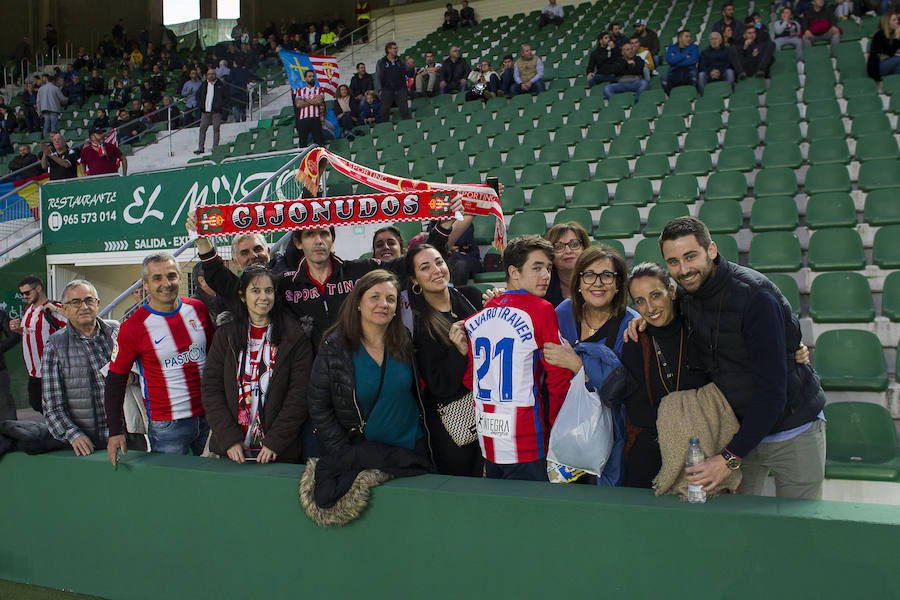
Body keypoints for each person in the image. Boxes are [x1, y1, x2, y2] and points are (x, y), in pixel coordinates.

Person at [657, 217, 826, 499]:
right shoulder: (686, 296)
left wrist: (728, 458)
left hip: (792, 429)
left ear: (711, 250)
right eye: (673, 261)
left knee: (801, 530)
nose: (684, 270)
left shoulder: (755, 297)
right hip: (738, 430)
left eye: (690, 256)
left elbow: (772, 394)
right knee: (741, 530)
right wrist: (640, 323)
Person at [620, 262, 816, 488]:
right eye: (640, 301)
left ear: (672, 292)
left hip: (714, 447)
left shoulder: (699, 326)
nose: (650, 307)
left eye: (656, 295)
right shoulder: (635, 341)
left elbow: (747, 352)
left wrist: (790, 350)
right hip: (654, 453)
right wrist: (686, 417)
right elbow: (637, 409)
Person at [461, 235, 572, 481]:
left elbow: (471, 380)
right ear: (514, 271)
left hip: (488, 441)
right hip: (527, 442)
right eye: (537, 267)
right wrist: (559, 431)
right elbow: (559, 379)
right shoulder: (541, 309)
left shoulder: (483, 312)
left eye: (548, 268)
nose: (546, 275)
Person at [308, 270, 430, 460]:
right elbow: (319, 406)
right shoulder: (334, 347)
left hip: (412, 451)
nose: (383, 304)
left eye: (391, 299)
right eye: (375, 297)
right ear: (358, 302)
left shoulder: (404, 338)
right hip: (364, 457)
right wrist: (344, 451)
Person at [105, 253, 215, 462]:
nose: (166, 283)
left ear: (181, 279)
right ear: (145, 284)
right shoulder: (132, 327)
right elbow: (115, 380)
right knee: (172, 488)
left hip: (210, 417)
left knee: (216, 482)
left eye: (172, 276)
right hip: (168, 426)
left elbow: (215, 359)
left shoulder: (198, 309)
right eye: (157, 278)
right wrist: (115, 430)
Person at [545, 245, 637, 486]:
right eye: (589, 275)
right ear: (578, 282)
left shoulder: (631, 324)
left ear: (618, 284)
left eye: (607, 275)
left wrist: (578, 366)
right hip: (564, 426)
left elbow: (623, 389)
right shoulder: (564, 312)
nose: (598, 283)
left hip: (609, 432)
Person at [202, 268, 312, 464]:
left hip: (277, 451)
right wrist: (229, 439)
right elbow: (211, 389)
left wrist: (275, 442)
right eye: (255, 291)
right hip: (233, 450)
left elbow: (299, 396)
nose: (263, 297)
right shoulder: (225, 335)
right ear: (242, 296)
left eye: (269, 291)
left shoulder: (294, 337)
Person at [405, 245, 482, 476]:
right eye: (425, 267)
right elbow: (439, 385)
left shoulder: (469, 297)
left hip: (487, 414)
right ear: (414, 279)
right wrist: (457, 352)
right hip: (453, 426)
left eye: (439, 262)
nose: (436, 270)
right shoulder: (418, 324)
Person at [41, 280, 119, 456]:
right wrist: (73, 434)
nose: (84, 307)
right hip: (89, 445)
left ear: (97, 304)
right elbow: (52, 405)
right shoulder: (55, 346)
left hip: (127, 438)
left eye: (89, 300)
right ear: (64, 308)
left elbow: (141, 374)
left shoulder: (116, 332)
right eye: (76, 302)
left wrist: (134, 378)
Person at [8, 275, 66, 413]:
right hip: (34, 371)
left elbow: (74, 325)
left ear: (38, 288)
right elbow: (31, 333)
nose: (25, 296)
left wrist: (57, 310)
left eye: (27, 293)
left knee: (54, 407)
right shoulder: (28, 310)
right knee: (37, 404)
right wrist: (17, 330)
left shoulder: (52, 308)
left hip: (50, 370)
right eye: (22, 294)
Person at [543, 222, 590, 308]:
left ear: (585, 249)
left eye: (574, 244)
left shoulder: (596, 281)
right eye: (559, 247)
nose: (568, 251)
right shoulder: (542, 284)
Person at [375, 41, 411, 122]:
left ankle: (408, 126)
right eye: (394, 48)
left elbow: (409, 74)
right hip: (387, 89)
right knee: (384, 111)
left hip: (400, 89)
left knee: (405, 110)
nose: (396, 50)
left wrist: (410, 67)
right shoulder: (381, 62)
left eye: (396, 48)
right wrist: (379, 89)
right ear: (388, 50)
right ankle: (385, 130)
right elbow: (378, 76)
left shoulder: (400, 61)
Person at [194, 68, 227, 154]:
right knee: (202, 129)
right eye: (209, 74)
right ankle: (200, 147)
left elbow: (226, 97)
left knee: (216, 129)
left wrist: (219, 106)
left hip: (216, 111)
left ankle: (215, 147)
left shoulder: (220, 84)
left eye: (212, 74)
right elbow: (198, 96)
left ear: (215, 75)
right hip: (205, 111)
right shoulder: (204, 84)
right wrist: (201, 106)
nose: (211, 75)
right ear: (207, 75)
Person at [0, 306, 21, 422]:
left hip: (0, 370)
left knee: (5, 407)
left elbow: (15, 335)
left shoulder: (1, 314)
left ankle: (12, 437)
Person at [662, 30, 699, 95]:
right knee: (664, 78)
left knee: (694, 76)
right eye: (686, 37)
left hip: (689, 70)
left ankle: (694, 95)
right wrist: (684, 56)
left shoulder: (694, 47)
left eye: (690, 37)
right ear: (680, 38)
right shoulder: (671, 48)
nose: (689, 39)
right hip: (674, 71)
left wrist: (675, 60)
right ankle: (671, 97)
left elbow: (693, 60)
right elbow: (669, 60)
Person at [294, 68, 325, 146]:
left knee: (319, 142)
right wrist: (313, 101)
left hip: (315, 118)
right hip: (303, 119)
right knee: (302, 143)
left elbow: (319, 101)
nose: (312, 78)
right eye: (309, 76)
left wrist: (304, 99)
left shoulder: (319, 89)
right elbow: (298, 104)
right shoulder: (300, 91)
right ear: (305, 78)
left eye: (313, 76)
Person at [867, 13, 900, 80]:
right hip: (877, 67)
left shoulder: (892, 34)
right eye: (894, 20)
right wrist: (896, 37)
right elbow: (890, 52)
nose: (897, 21)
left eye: (897, 19)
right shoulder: (879, 35)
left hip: (889, 64)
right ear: (887, 23)